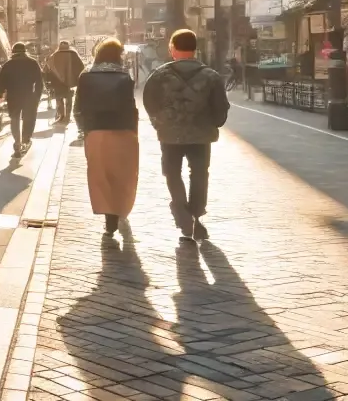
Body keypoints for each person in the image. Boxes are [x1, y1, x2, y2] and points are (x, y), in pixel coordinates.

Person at [141, 28, 229, 243]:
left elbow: (148, 101)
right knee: (199, 173)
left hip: (170, 134)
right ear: (195, 49)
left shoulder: (160, 75)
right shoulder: (211, 76)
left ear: (172, 48)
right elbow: (221, 108)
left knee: (172, 173)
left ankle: (181, 212)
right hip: (201, 135)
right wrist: (214, 122)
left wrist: (158, 122)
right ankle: (197, 215)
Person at [75, 38, 139, 240]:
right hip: (123, 130)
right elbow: (131, 107)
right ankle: (120, 210)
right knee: (123, 174)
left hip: (95, 131)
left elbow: (78, 108)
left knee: (100, 175)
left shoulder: (86, 76)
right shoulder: (125, 76)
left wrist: (83, 130)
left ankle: (109, 221)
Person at [0, 42, 46, 156]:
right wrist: (37, 96)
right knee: (29, 119)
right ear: (25, 51)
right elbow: (39, 82)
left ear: (13, 52)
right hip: (29, 96)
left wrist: (1, 93)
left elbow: (1, 81)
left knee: (15, 119)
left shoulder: (8, 64)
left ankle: (17, 143)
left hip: (13, 96)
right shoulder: (33, 63)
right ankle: (25, 140)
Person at [44, 40, 85, 124]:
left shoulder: (54, 55)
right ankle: (68, 117)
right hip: (71, 80)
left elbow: (46, 69)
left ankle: (61, 115)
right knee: (69, 98)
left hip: (57, 81)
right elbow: (82, 67)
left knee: (59, 98)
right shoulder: (74, 54)